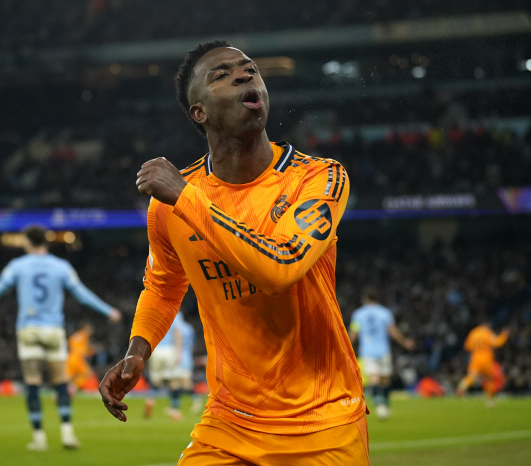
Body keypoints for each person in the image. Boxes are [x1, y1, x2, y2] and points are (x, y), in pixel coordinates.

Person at [99, 40, 368, 465]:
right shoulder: (171, 204)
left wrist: (184, 197)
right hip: (229, 420)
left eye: (250, 69)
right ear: (199, 112)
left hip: (323, 421)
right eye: (221, 74)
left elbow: (279, 267)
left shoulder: (318, 178)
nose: (245, 75)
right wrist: (137, 351)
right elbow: (164, 287)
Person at [0, 225, 122, 451]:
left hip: (29, 329)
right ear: (46, 241)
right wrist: (108, 310)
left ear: (27, 242)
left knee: (33, 382)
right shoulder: (61, 266)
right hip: (53, 329)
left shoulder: (17, 266)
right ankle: (67, 434)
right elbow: (82, 295)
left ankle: (39, 438)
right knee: (61, 382)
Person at [349, 287, 414, 420]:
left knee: (376, 378)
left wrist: (345, 346)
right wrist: (404, 342)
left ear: (365, 300)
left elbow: (354, 333)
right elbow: (392, 330)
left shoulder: (358, 314)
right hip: (383, 350)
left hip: (367, 351)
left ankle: (381, 403)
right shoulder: (385, 313)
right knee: (383, 379)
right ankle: (381, 404)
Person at [144, 311, 184, 420]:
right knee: (174, 380)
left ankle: (150, 399)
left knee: (156, 380)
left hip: (156, 349)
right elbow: (176, 333)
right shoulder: (175, 312)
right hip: (169, 349)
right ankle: (174, 409)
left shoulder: (154, 313)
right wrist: (179, 352)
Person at [456, 321, 509, 406]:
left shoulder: (473, 332)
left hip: (475, 358)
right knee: (488, 379)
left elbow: (467, 346)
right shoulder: (487, 333)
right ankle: (490, 400)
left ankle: (462, 387)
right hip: (486, 358)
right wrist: (504, 335)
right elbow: (497, 343)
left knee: (472, 376)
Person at [67, 322, 97, 391]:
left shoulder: (82, 336)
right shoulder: (80, 336)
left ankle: (71, 388)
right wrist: (85, 352)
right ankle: (72, 388)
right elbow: (74, 347)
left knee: (77, 375)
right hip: (76, 358)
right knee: (86, 373)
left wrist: (89, 351)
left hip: (74, 358)